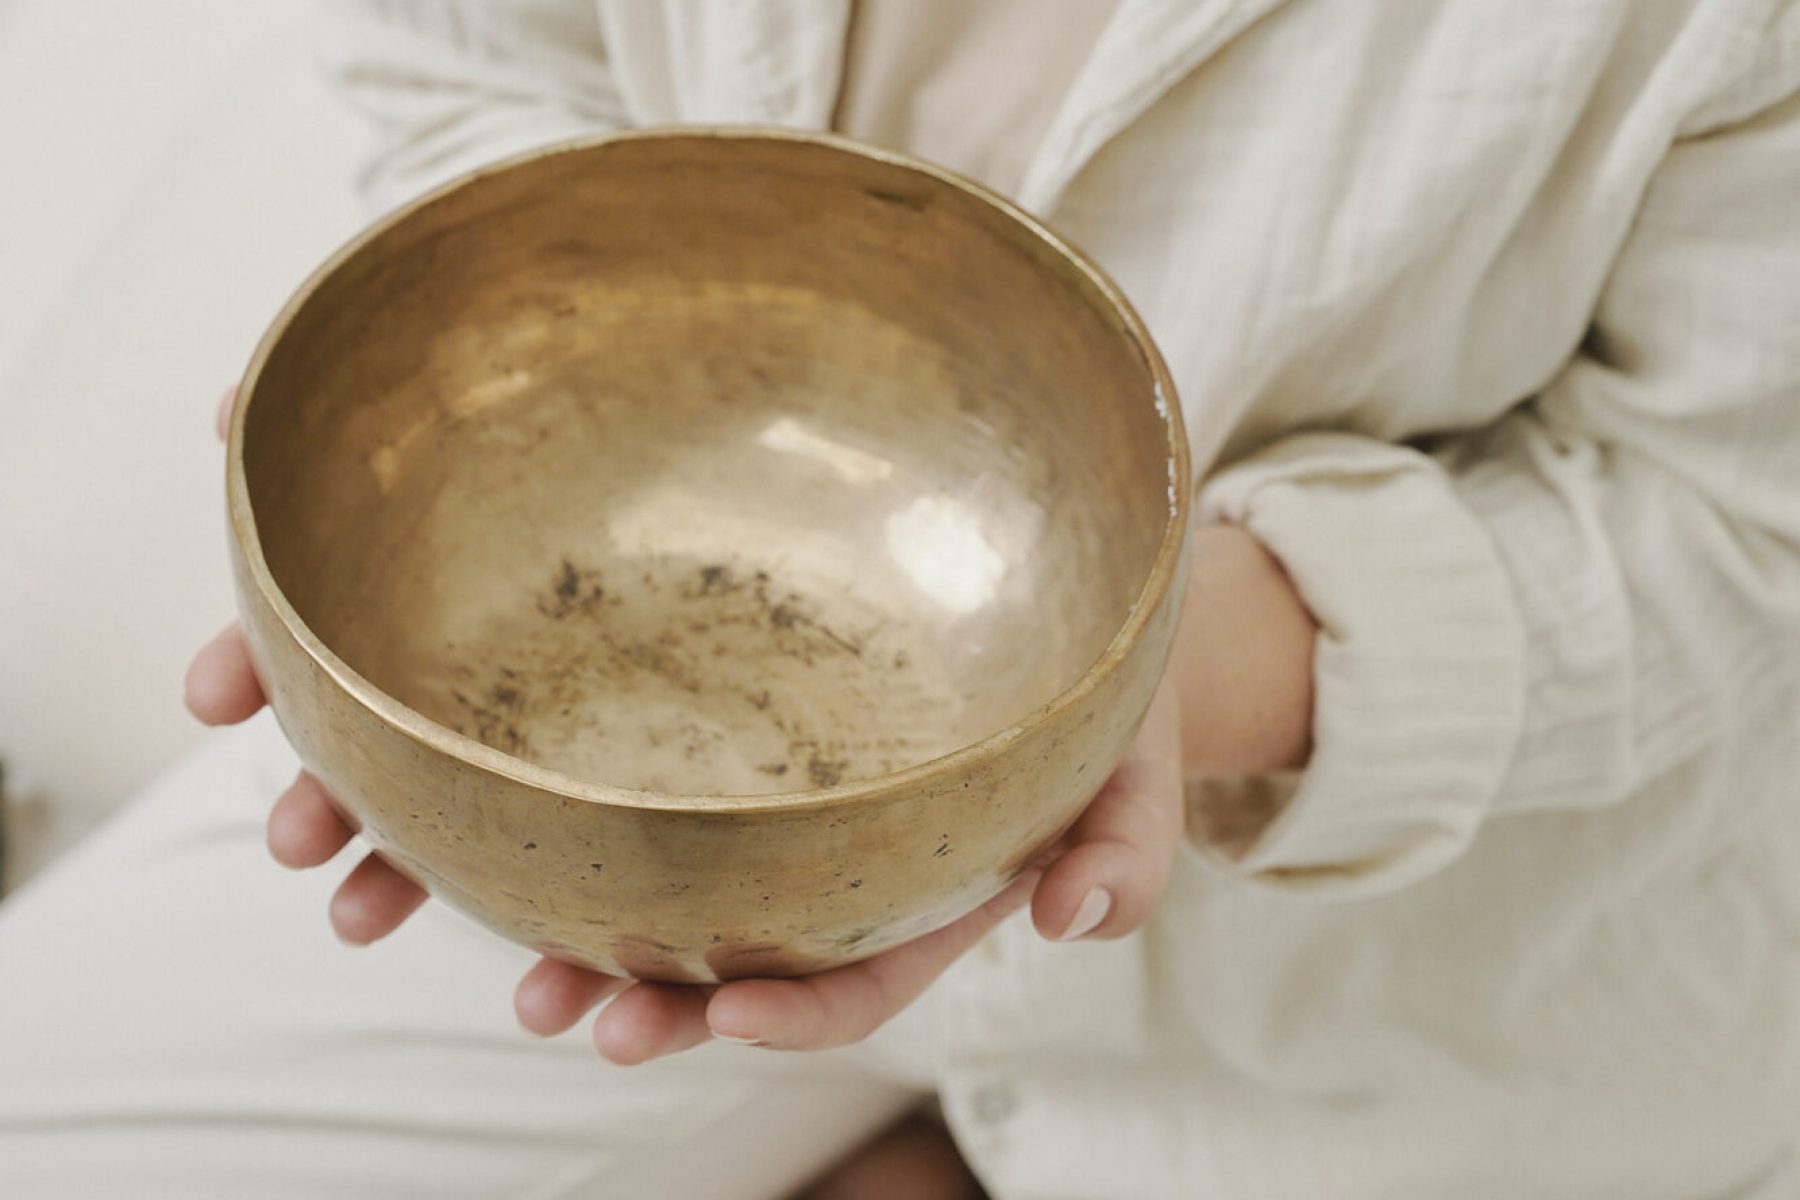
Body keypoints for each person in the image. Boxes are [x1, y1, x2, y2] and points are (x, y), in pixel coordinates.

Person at [4, 1, 1798, 1196]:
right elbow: (457, 54)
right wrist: (468, 390)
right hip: (564, 772)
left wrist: (1155, 686)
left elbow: (1737, 524)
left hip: (1396, 981)